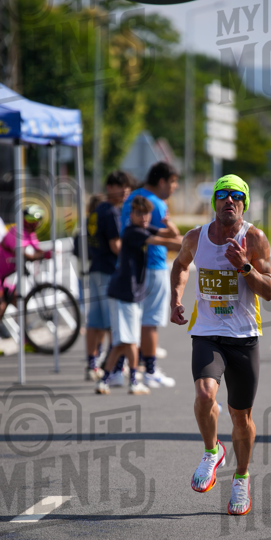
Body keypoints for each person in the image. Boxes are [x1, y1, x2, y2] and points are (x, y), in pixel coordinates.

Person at [170, 175, 271, 516]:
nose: (228, 200)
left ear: (244, 203)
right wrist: (175, 298)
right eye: (222, 195)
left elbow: (270, 290)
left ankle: (241, 478)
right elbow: (180, 265)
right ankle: (211, 450)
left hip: (244, 336)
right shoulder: (195, 238)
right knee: (204, 395)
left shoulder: (255, 238)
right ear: (213, 201)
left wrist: (245, 267)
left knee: (240, 416)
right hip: (207, 330)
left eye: (236, 196)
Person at [96, 195, 182, 396]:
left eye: (146, 213)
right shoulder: (132, 231)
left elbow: (172, 233)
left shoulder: (144, 228)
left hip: (132, 294)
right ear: (131, 214)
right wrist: (189, 244)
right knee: (130, 341)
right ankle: (133, 381)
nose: (143, 217)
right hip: (122, 293)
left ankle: (105, 379)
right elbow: (166, 241)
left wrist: (168, 222)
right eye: (138, 213)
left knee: (123, 342)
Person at [121, 162, 181, 388]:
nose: (174, 187)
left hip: (131, 267)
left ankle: (127, 368)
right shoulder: (157, 203)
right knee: (151, 322)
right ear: (163, 181)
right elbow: (170, 239)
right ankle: (150, 370)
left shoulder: (133, 197)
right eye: (173, 182)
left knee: (134, 321)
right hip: (154, 265)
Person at [0, 205, 52, 357]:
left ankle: (25, 341)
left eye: (36, 221)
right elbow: (26, 254)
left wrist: (47, 253)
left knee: (20, 303)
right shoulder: (16, 232)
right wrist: (42, 256)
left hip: (3, 276)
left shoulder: (30, 234)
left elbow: (37, 250)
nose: (34, 224)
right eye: (31, 221)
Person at [85, 173, 132, 382]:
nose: (125, 192)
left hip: (95, 267)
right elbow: (116, 246)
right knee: (115, 322)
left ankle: (92, 364)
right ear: (110, 187)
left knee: (94, 322)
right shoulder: (111, 212)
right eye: (121, 187)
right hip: (109, 271)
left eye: (127, 188)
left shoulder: (96, 211)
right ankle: (115, 368)